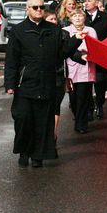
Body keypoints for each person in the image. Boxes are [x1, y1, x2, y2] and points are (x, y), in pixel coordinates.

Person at [4, 0, 85, 168]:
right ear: (28, 9)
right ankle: (24, 151)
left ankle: (38, 156)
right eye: (35, 7)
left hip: (47, 82)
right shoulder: (19, 31)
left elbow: (62, 53)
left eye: (41, 7)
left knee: (43, 121)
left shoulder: (54, 30)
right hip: (25, 83)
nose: (39, 10)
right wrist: (10, 84)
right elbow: (11, 60)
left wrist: (76, 38)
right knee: (23, 118)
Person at [64, 10, 97, 134]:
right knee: (73, 98)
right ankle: (77, 116)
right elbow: (66, 49)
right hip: (71, 67)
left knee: (83, 96)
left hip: (87, 67)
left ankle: (81, 123)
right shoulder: (66, 31)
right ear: (70, 18)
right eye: (74, 16)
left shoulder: (91, 30)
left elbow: (96, 46)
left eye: (80, 16)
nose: (77, 18)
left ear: (84, 18)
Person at [83, 0, 107, 119]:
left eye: (89, 1)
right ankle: (89, 108)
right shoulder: (82, 17)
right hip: (84, 55)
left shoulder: (106, 18)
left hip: (101, 55)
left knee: (100, 82)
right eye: (85, 1)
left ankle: (99, 104)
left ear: (96, 3)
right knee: (86, 83)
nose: (86, 3)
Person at [43, 9, 67, 145]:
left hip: (58, 75)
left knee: (55, 106)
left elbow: (68, 51)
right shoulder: (39, 35)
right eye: (50, 19)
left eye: (55, 19)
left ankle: (53, 133)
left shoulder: (63, 34)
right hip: (43, 76)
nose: (54, 22)